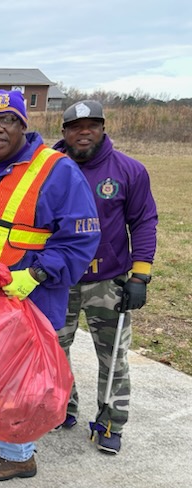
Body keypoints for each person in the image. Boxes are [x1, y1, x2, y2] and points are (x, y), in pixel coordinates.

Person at [0, 90, 100, 481]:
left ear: (23, 124)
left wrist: (34, 274)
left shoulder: (56, 170)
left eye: (7, 120)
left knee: (16, 378)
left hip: (25, 296)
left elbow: (80, 237)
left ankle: (19, 454)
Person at [54, 100, 158, 455]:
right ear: (64, 131)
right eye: (76, 126)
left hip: (107, 280)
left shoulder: (129, 170)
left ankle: (110, 421)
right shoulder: (50, 168)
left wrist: (140, 275)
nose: (84, 132)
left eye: (92, 125)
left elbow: (143, 221)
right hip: (59, 277)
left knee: (113, 356)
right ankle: (61, 407)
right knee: (53, 348)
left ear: (103, 128)